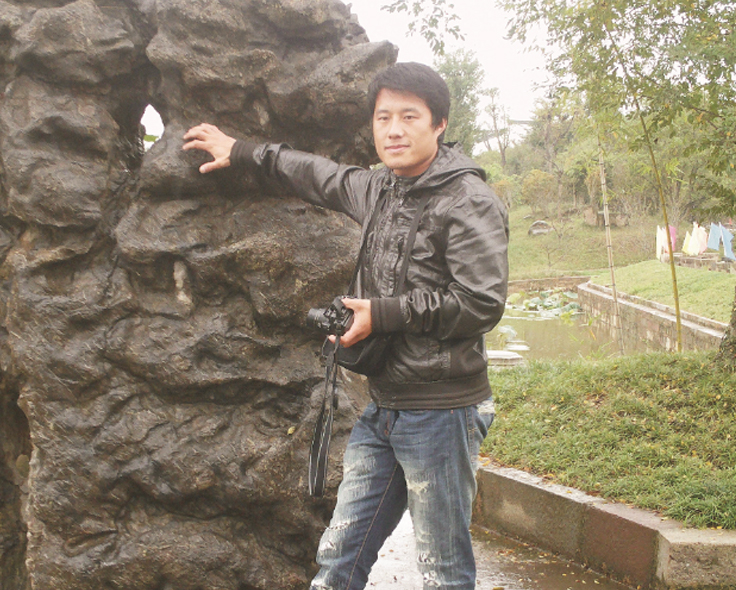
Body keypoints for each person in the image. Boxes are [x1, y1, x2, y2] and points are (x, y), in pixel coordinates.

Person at [183, 62, 508, 590]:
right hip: (383, 407)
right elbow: (315, 173)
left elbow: (481, 303)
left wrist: (382, 314)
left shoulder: (468, 199)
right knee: (338, 560)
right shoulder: (379, 189)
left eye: (409, 116)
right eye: (383, 117)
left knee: (443, 572)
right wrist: (240, 150)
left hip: (442, 412)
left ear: (440, 123)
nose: (394, 129)